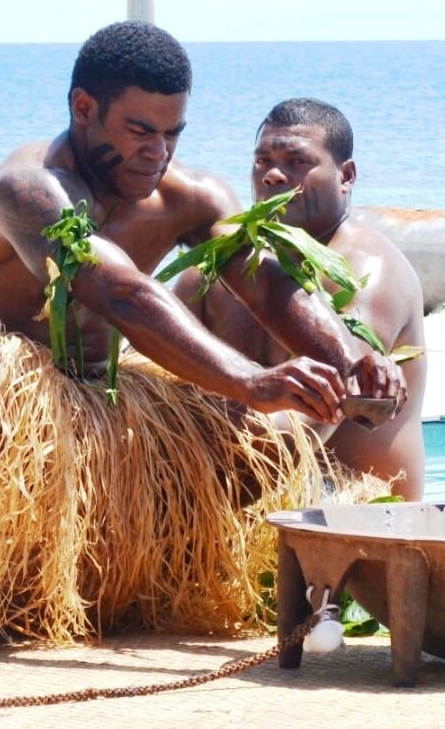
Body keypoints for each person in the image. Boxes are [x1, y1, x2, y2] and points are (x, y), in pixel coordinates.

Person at [0, 22, 405, 655]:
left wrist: (352, 357)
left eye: (172, 134)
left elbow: (267, 281)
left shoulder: (191, 196)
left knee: (254, 442)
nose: (158, 152)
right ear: (85, 109)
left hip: (100, 398)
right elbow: (123, 293)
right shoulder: (29, 191)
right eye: (140, 132)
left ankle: (138, 582)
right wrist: (252, 381)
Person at [175, 98, 427, 498]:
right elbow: (163, 362)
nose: (274, 175)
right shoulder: (215, 271)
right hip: (239, 497)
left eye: (297, 162)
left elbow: (318, 416)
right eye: (263, 162)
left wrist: (179, 450)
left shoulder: (366, 273)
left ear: (346, 175)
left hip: (352, 513)